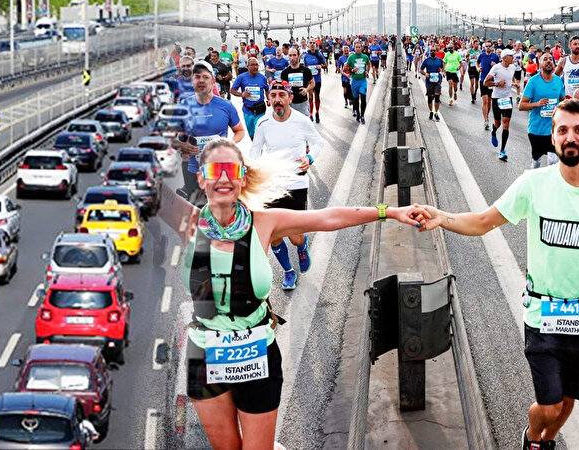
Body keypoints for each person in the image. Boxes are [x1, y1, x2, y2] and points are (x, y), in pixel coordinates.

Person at [172, 137, 424, 450]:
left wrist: (388, 212)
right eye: (214, 169)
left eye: (231, 169)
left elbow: (327, 217)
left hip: (255, 356)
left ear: (243, 177)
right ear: (201, 177)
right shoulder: (187, 222)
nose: (223, 178)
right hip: (204, 357)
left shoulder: (264, 223)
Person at [414, 98, 579, 450]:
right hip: (543, 315)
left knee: (569, 401)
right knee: (550, 403)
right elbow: (482, 222)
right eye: (563, 130)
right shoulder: (533, 184)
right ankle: (532, 436)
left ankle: (544, 444)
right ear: (552, 138)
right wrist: (442, 217)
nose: (571, 137)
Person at [249, 81, 324, 289]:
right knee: (273, 234)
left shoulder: (302, 121)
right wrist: (252, 167)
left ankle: (302, 245)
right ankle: (288, 271)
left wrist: (309, 158)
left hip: (297, 183)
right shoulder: (263, 123)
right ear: (269, 99)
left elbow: (318, 142)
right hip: (272, 184)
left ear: (290, 98)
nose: (277, 99)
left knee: (295, 238)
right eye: (273, 95)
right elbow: (255, 149)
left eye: (282, 94)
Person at [174, 60, 246, 201]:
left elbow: (239, 131)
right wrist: (183, 146)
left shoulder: (226, 106)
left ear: (213, 81)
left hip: (221, 170)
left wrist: (229, 143)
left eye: (206, 77)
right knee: (198, 215)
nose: (201, 81)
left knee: (221, 214)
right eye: (197, 77)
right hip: (194, 172)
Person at [519, 53, 565, 168]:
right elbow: (521, 105)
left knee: (553, 161)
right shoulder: (533, 81)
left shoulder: (558, 81)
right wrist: (537, 104)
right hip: (536, 129)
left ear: (554, 65)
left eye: (551, 59)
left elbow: (563, 100)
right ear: (540, 65)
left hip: (553, 130)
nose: (549, 61)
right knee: (536, 161)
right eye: (545, 59)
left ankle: (550, 185)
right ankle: (534, 179)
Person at [484, 49, 520, 161]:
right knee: (497, 123)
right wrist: (497, 83)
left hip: (507, 98)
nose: (513, 58)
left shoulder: (513, 67)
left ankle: (502, 151)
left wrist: (514, 83)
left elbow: (511, 77)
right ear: (504, 58)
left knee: (506, 123)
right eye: (511, 56)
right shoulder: (496, 68)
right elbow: (486, 82)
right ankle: (493, 131)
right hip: (496, 98)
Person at [231, 57, 270, 140]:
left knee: (259, 132)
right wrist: (242, 94)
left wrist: (268, 99)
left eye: (256, 65)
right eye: (252, 65)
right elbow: (232, 90)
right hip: (248, 110)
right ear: (247, 66)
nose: (255, 67)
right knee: (252, 134)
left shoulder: (262, 77)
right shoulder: (241, 77)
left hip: (260, 109)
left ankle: (258, 149)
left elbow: (267, 89)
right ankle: (255, 145)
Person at [278, 46, 314, 118]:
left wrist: (306, 90)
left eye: (294, 55)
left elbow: (312, 83)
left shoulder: (306, 70)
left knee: (304, 127)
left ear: (298, 56)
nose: (292, 58)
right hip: (290, 104)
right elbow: (282, 88)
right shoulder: (285, 72)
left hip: (303, 104)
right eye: (290, 55)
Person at [555, 35, 579, 100]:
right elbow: (555, 77)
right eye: (575, 44)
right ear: (570, 46)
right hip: (568, 98)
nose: (577, 46)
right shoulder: (564, 61)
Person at [344, 40, 371, 125]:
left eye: (359, 47)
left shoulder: (365, 57)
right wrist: (352, 70)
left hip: (363, 81)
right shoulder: (351, 57)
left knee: (363, 97)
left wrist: (367, 71)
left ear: (361, 48)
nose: (358, 49)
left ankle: (362, 116)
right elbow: (345, 68)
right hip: (354, 81)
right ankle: (358, 113)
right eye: (356, 47)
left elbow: (368, 64)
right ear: (354, 48)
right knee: (355, 99)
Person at [477, 41, 501, 130]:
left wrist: (496, 65)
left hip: (491, 82)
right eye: (486, 46)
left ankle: (487, 116)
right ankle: (486, 120)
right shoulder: (481, 55)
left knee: (489, 101)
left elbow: (500, 67)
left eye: (489, 46)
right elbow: (477, 63)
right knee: (485, 101)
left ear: (491, 47)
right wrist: (478, 68)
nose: (487, 47)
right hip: (483, 81)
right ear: (484, 47)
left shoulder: (495, 56)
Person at [303, 40, 327, 123]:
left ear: (315, 45)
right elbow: (304, 67)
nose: (312, 44)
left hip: (317, 80)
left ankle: (317, 112)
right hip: (309, 80)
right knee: (310, 97)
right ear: (308, 45)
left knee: (317, 97)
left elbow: (325, 65)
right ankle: (310, 114)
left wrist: (321, 66)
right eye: (310, 43)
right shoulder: (306, 56)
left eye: (313, 43)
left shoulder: (319, 54)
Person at [420, 43, 445, 122]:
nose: (433, 52)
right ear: (429, 52)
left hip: (437, 82)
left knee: (437, 97)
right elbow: (421, 70)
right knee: (430, 98)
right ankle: (431, 112)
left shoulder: (439, 60)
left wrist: (443, 72)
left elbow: (442, 66)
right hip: (429, 82)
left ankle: (436, 113)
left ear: (436, 51)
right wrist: (425, 74)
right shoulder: (426, 61)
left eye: (434, 51)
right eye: (431, 51)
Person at [338, 45, 354, 110]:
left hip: (351, 78)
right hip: (344, 77)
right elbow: (339, 69)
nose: (346, 50)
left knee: (352, 91)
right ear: (343, 50)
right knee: (345, 91)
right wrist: (345, 74)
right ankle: (346, 102)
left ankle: (351, 100)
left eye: (347, 49)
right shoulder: (341, 58)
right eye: (345, 49)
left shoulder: (352, 57)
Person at [467, 39, 481, 104]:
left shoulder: (480, 51)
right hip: (471, 68)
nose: (477, 45)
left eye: (478, 44)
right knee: (472, 83)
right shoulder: (470, 50)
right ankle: (472, 96)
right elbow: (466, 58)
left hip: (477, 69)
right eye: (476, 44)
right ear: (473, 44)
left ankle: (475, 93)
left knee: (476, 84)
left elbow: (481, 59)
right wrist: (470, 57)